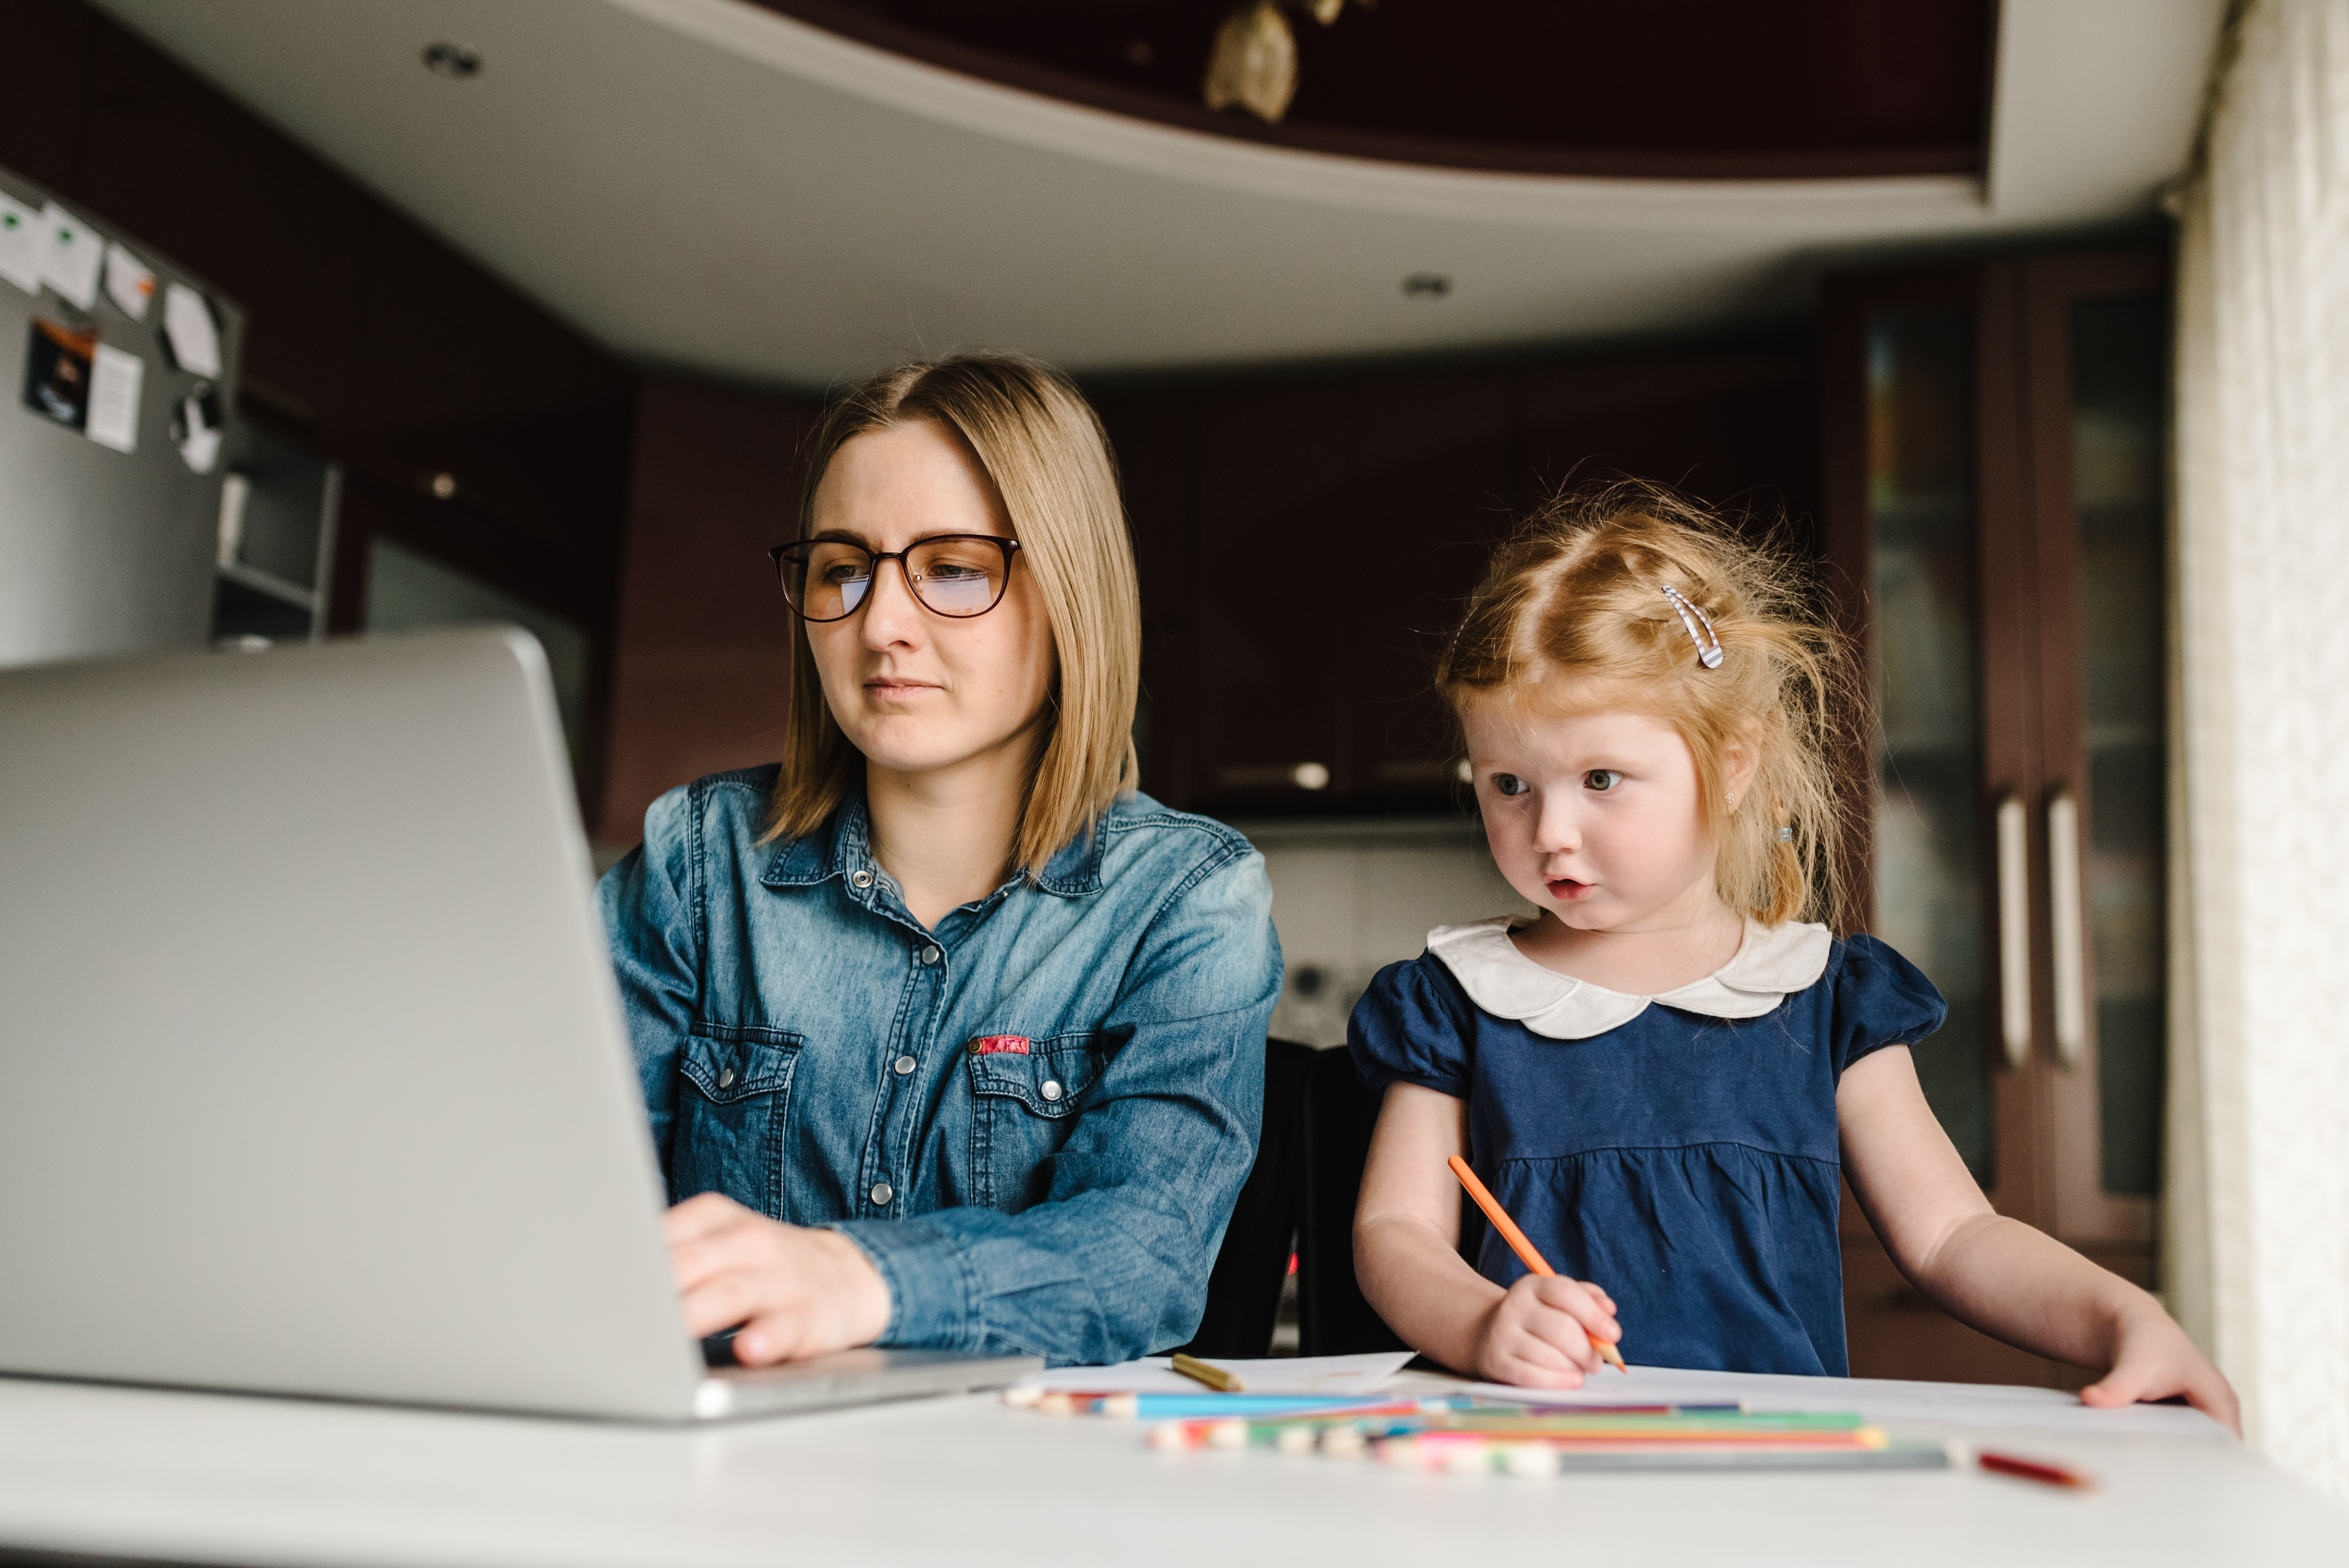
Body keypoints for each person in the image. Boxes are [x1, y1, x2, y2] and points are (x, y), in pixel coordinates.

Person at [1347, 489, 2239, 1431]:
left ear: (1732, 763)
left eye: (1601, 779)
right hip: (1532, 1456)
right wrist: (1486, 1320)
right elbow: (1394, 1232)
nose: (1550, 833)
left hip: (1776, 1474)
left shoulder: (1826, 996)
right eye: (1509, 785)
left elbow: (1953, 1235)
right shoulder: (1457, 998)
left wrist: (2123, 1315)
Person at [599, 355, 1280, 1368]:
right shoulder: (697, 861)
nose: (881, 625)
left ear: (1070, 593)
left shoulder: (1188, 899)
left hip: (1014, 1497)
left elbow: (1145, 1254)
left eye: (954, 568)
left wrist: (863, 1277)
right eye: (842, 567)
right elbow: (557, 1189)